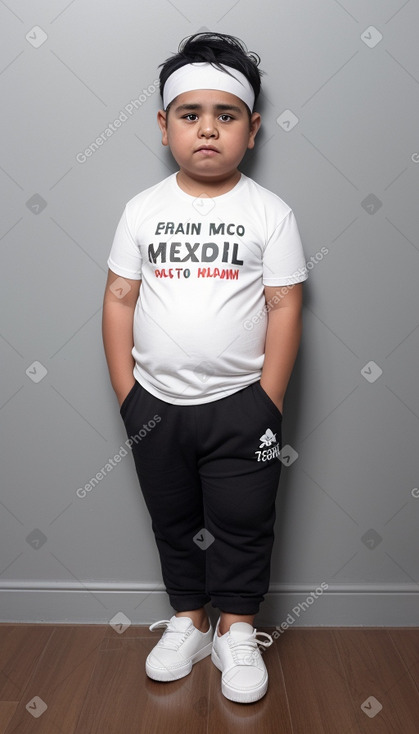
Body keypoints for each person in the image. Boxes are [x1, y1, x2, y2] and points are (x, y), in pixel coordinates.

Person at [102, 31, 308, 704]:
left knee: (244, 520)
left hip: (240, 406)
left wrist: (266, 403)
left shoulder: (269, 214)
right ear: (165, 127)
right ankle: (190, 620)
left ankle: (238, 630)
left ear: (252, 130)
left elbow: (283, 306)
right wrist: (128, 395)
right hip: (154, 405)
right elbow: (119, 298)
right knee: (172, 517)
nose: (208, 130)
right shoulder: (142, 209)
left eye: (226, 115)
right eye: (191, 115)